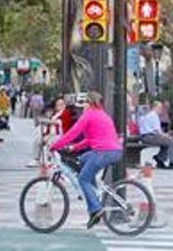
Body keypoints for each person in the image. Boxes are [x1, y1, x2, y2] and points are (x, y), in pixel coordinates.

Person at [50, 91, 122, 229]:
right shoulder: (101, 114)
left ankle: (95, 209)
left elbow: (72, 133)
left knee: (82, 179)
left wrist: (55, 146)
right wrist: (74, 148)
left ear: (88, 103)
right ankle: (93, 190)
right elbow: (90, 139)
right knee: (82, 160)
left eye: (83, 104)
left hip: (104, 152)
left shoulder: (88, 115)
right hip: (111, 151)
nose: (81, 108)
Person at [28, 97, 74, 168]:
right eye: (58, 105)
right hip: (51, 133)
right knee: (38, 140)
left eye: (62, 104)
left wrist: (47, 122)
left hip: (60, 135)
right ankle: (36, 159)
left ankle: (51, 160)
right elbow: (50, 124)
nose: (61, 106)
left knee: (51, 142)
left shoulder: (66, 113)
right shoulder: (55, 114)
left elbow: (60, 123)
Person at [138, 101, 173, 170]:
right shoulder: (153, 115)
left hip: (145, 136)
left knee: (166, 142)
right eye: (160, 107)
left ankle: (160, 159)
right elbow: (157, 131)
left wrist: (165, 136)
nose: (161, 109)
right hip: (150, 136)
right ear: (155, 107)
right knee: (172, 141)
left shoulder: (149, 115)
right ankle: (172, 163)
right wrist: (166, 136)